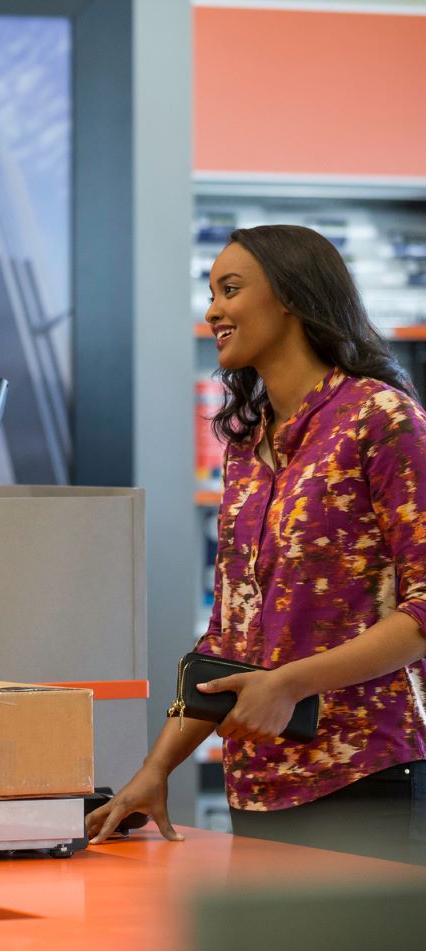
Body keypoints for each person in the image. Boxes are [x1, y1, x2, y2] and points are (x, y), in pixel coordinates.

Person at [86, 225, 426, 864]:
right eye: (211, 294)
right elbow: (229, 636)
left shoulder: (380, 419)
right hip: (258, 787)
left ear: (292, 295)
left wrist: (290, 684)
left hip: (367, 780)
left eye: (231, 289)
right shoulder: (246, 447)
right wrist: (156, 768)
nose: (214, 310)